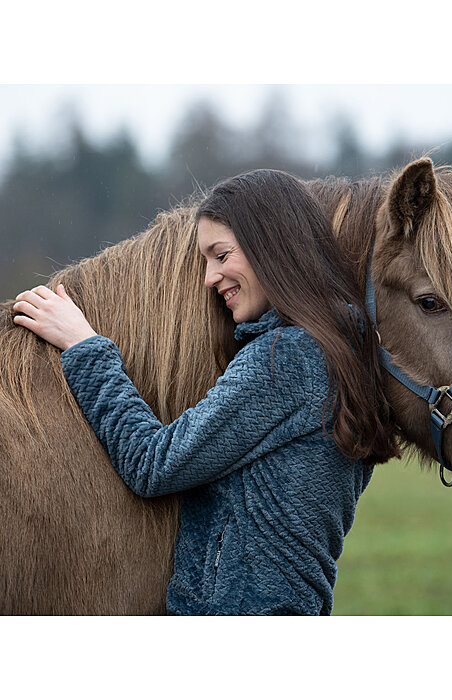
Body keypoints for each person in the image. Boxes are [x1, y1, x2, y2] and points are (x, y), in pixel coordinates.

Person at [12, 169, 398, 615]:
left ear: (270, 246)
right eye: (206, 260)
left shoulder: (286, 359)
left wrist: (85, 346)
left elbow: (153, 463)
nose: (209, 277)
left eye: (221, 255)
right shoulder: (338, 350)